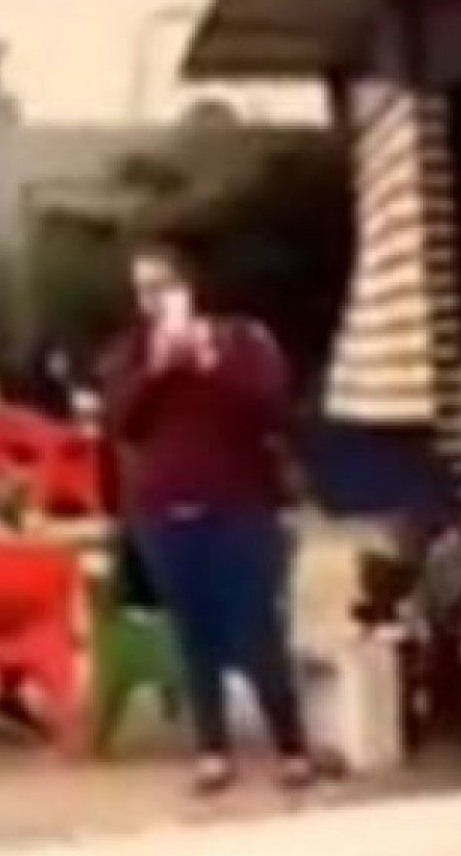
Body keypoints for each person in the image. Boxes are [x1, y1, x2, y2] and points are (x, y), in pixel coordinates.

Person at [103, 240, 312, 795]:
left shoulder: (242, 341)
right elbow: (120, 421)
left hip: (242, 506)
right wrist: (157, 370)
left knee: (257, 625)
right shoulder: (132, 352)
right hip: (164, 514)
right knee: (193, 633)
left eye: (162, 286)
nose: (152, 301)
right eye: (142, 290)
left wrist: (209, 364)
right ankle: (212, 751)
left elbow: (273, 408)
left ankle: (292, 746)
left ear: (190, 288)